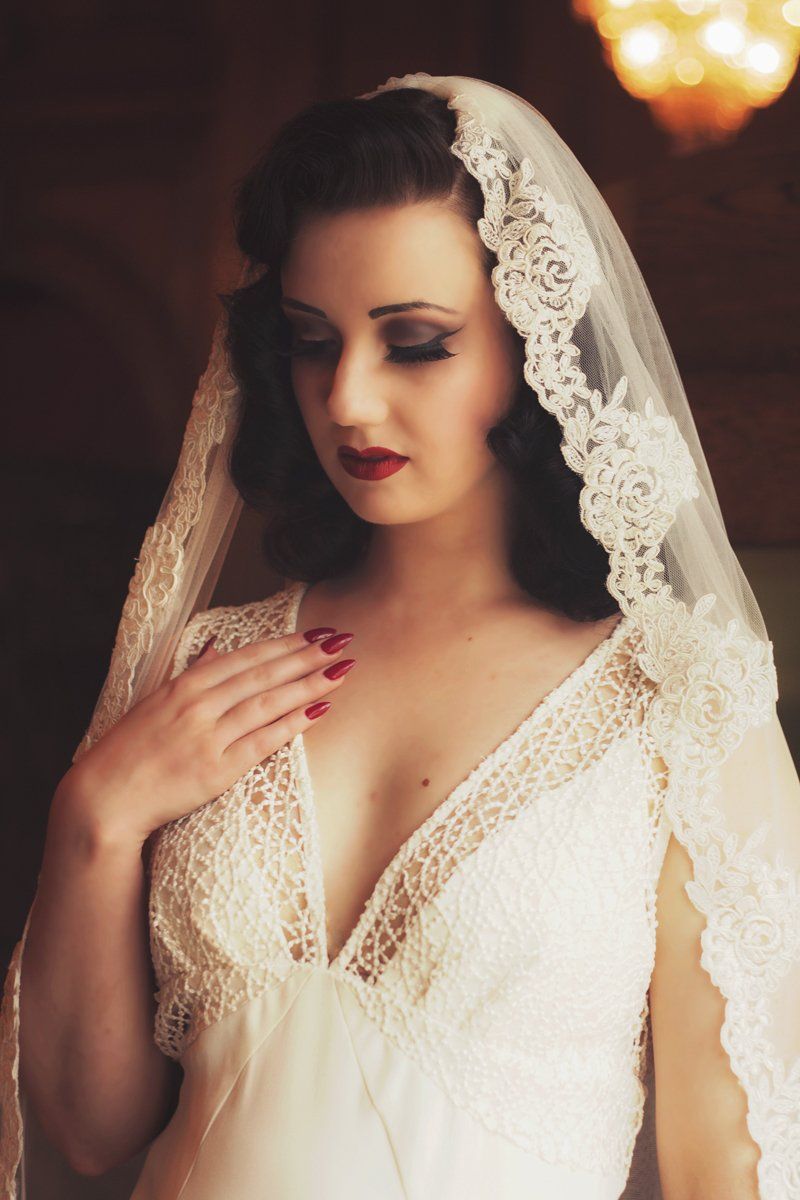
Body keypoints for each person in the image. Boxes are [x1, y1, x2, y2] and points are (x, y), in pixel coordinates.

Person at [1, 72, 798, 1200]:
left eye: (413, 342)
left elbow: (734, 1167)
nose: (348, 401)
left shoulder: (673, 699)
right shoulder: (205, 669)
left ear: (532, 350)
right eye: (312, 342)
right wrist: (97, 816)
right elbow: (90, 1131)